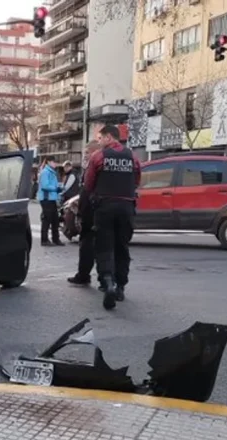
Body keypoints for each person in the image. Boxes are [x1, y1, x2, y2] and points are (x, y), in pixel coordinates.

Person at [83, 125, 141, 310]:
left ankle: (107, 281)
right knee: (122, 246)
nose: (99, 142)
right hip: (126, 207)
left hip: (105, 206)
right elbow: (137, 180)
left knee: (104, 245)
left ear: (109, 137)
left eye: (100, 138)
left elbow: (89, 183)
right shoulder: (132, 157)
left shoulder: (98, 157)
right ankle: (121, 286)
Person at [67, 140, 101, 287]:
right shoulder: (91, 165)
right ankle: (89, 275)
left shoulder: (95, 165)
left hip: (92, 212)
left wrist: (82, 207)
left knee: (88, 244)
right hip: (94, 209)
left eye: (87, 152)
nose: (85, 155)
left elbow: (88, 188)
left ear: (94, 151)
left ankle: (84, 275)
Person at [37, 156, 63, 246]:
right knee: (47, 219)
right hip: (46, 198)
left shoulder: (52, 172)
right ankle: (44, 240)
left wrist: (59, 189)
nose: (55, 163)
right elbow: (45, 186)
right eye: (54, 162)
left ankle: (56, 239)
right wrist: (56, 188)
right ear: (48, 162)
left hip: (51, 199)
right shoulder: (45, 172)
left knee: (55, 219)